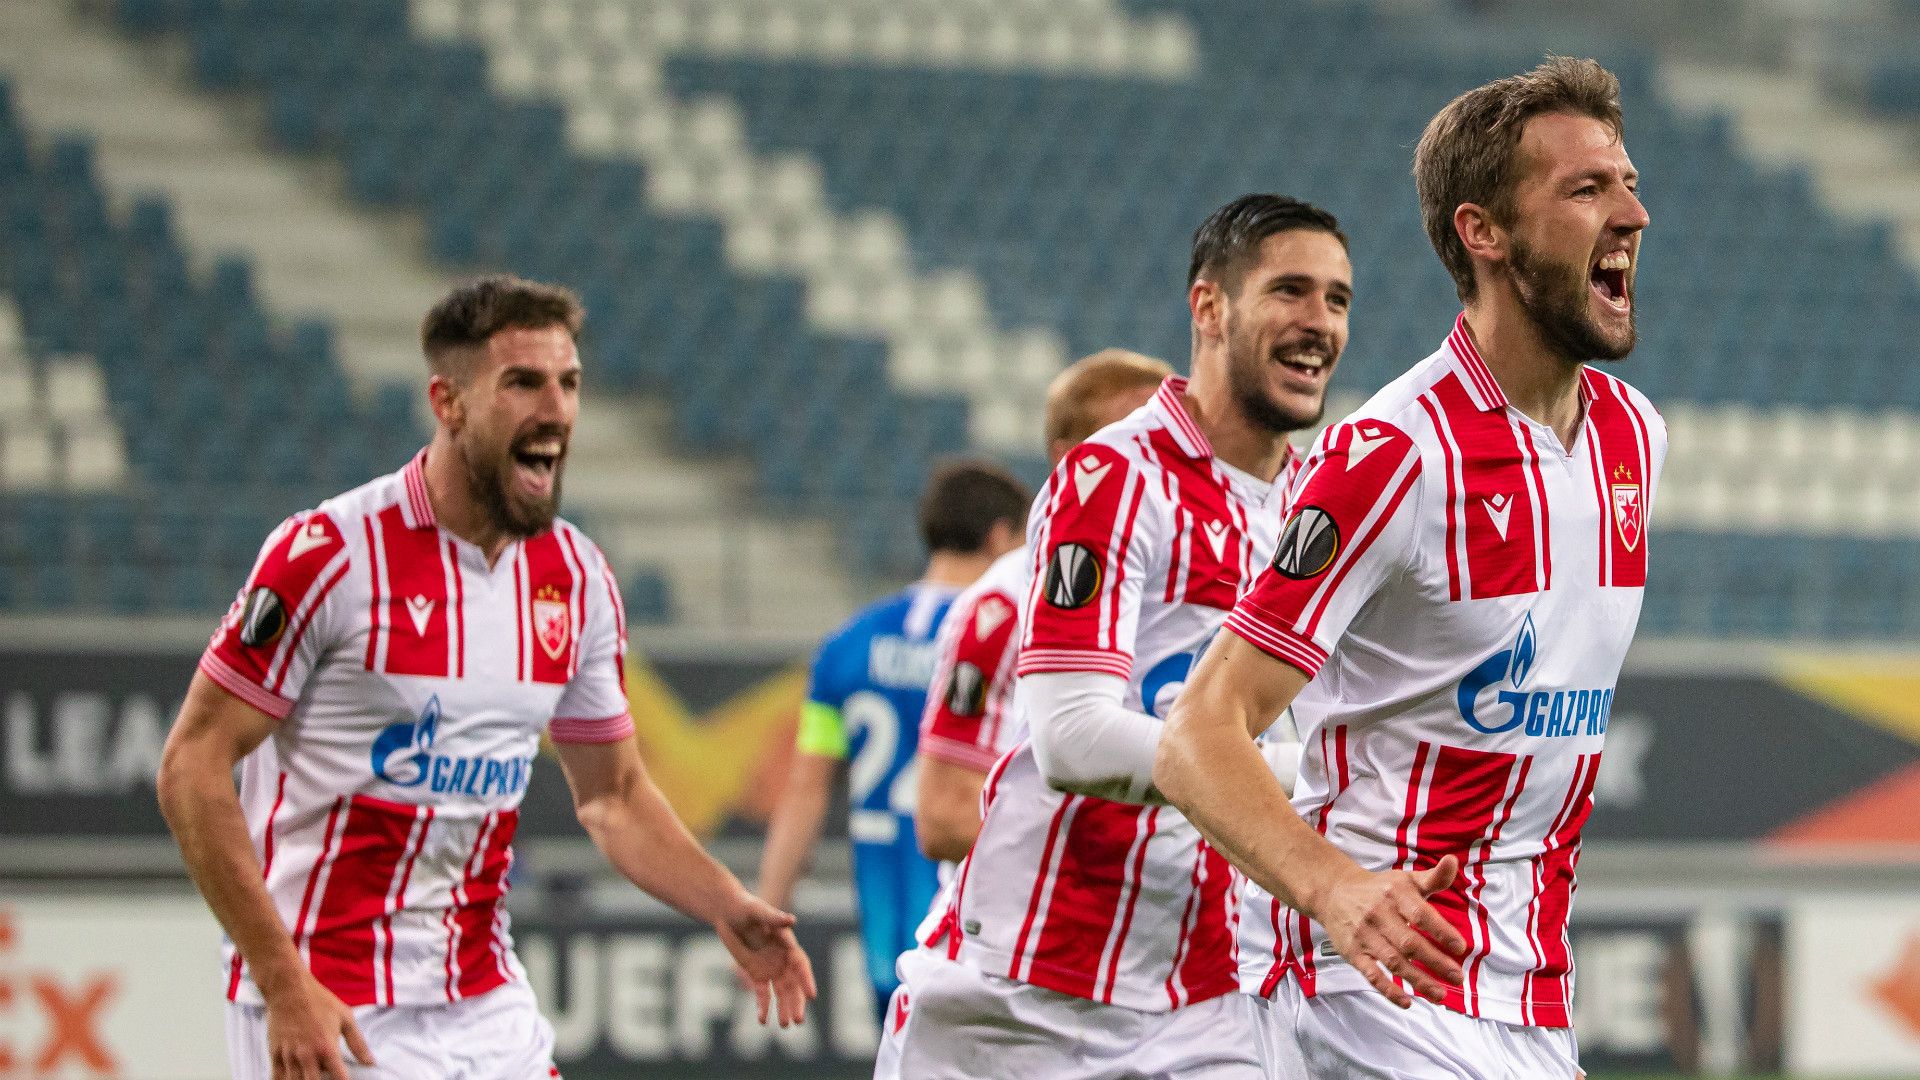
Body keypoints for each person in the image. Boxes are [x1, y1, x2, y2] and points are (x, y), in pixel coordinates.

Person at [157, 275, 815, 1080]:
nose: (556, 410)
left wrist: (726, 903)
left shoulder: (574, 577)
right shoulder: (329, 555)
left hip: (485, 997)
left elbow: (612, 796)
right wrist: (281, 980)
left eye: (568, 383)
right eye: (524, 383)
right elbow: (191, 766)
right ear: (449, 402)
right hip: (329, 1002)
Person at [1153, 57, 1661, 1079]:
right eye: (1586, 188)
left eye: (1630, 182)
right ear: (1484, 234)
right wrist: (1334, 887)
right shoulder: (1393, 454)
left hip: (1528, 991)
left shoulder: (1633, 440)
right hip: (1369, 992)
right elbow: (1199, 731)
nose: (1633, 215)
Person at [879, 194, 1353, 1079]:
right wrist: (1319, 782)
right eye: (1290, 290)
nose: (1318, 322)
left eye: (1336, 299)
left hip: (1211, 993)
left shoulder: (1321, 509)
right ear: (1209, 307)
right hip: (1020, 995)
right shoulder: (1114, 476)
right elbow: (1073, 738)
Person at [755, 460, 1029, 1022]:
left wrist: (767, 911)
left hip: (889, 948)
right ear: (1001, 538)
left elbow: (805, 795)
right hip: (993, 940)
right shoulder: (1007, 635)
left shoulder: (845, 647)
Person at [913, 349, 1173, 865]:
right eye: (1137, 440)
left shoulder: (1204, 595)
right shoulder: (1006, 605)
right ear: (1070, 458)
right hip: (1036, 934)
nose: (1164, 464)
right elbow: (943, 818)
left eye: (1172, 443)